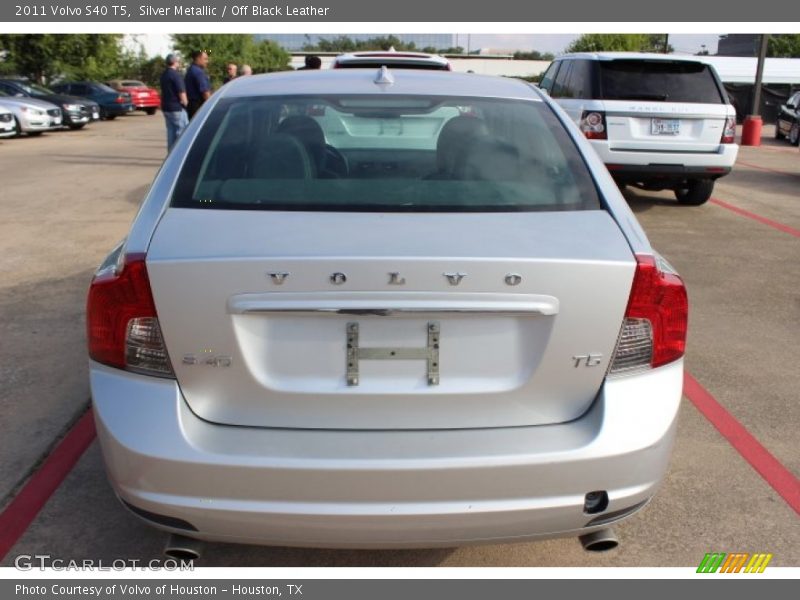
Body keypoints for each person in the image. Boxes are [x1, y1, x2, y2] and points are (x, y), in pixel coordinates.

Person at [159, 53, 188, 151]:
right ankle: (180, 153)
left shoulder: (164, 75)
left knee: (171, 133)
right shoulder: (175, 75)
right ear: (175, 62)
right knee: (182, 133)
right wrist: (186, 103)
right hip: (176, 107)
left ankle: (171, 154)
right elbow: (181, 91)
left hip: (166, 107)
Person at [184, 50, 211, 119]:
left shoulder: (190, 70)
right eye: (205, 59)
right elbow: (205, 92)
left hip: (191, 106)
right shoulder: (198, 72)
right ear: (198, 59)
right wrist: (212, 105)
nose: (207, 61)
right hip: (198, 107)